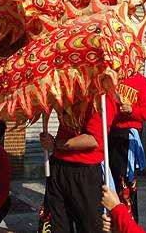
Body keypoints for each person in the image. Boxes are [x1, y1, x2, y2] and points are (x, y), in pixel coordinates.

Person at [39, 96, 117, 233]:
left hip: (85, 172)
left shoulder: (102, 97)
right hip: (58, 167)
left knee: (90, 227)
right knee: (56, 226)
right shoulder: (63, 90)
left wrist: (55, 144)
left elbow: (93, 140)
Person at [109, 73, 146, 222]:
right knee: (107, 181)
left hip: (126, 137)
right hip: (108, 133)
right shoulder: (110, 77)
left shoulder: (141, 82)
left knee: (125, 184)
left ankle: (129, 222)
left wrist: (132, 110)